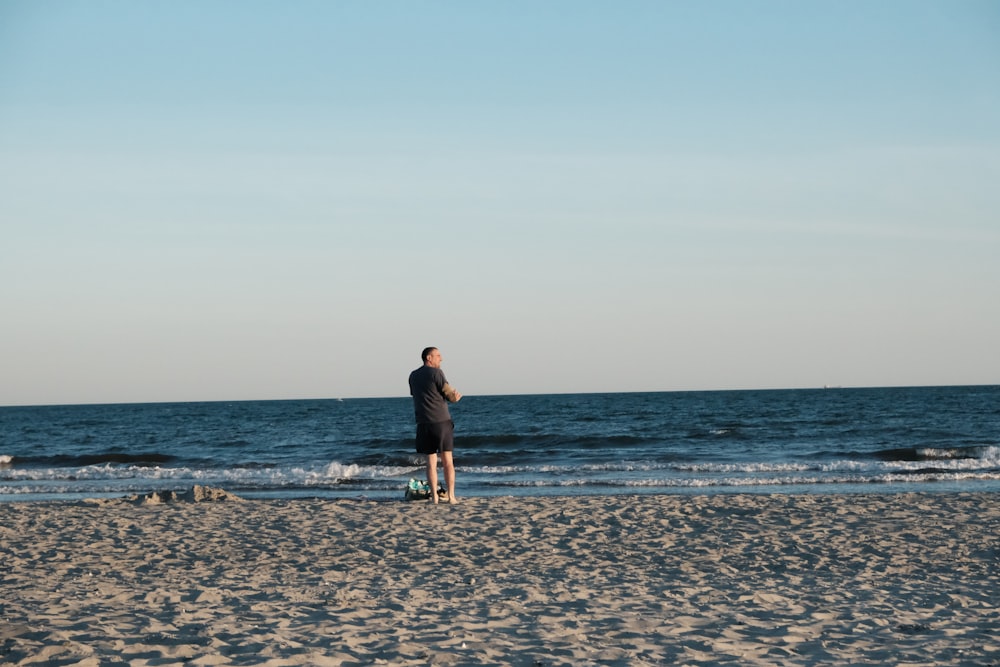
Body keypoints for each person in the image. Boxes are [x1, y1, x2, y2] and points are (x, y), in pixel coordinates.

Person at [408, 346, 462, 504]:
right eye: (438, 355)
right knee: (447, 461)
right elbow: (448, 393)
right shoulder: (436, 373)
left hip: (423, 422)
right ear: (429, 358)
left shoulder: (413, 375)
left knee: (430, 462)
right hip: (440, 421)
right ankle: (451, 496)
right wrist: (455, 398)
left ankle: (435, 497)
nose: (441, 358)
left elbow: (415, 394)